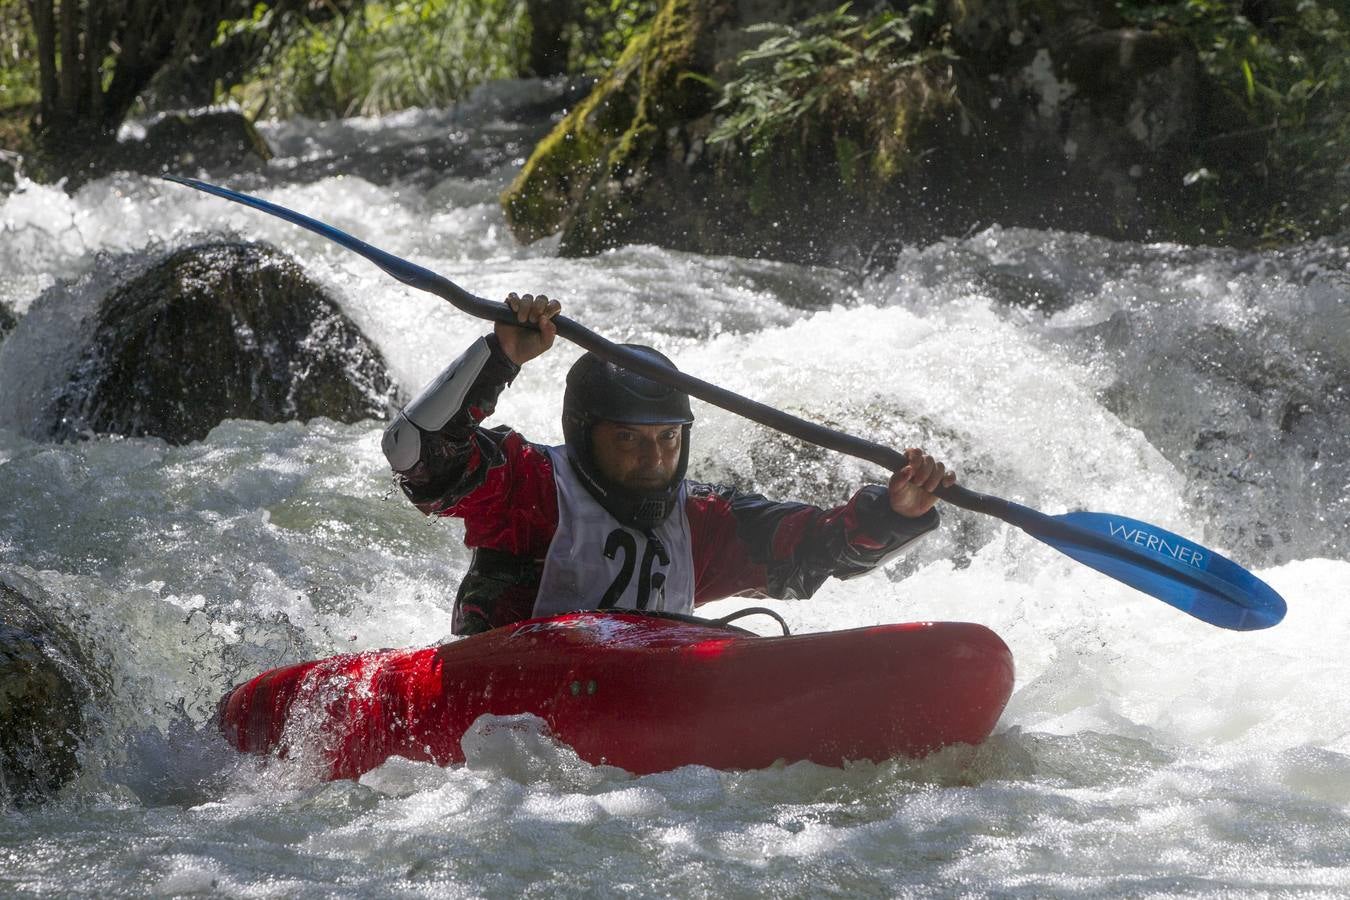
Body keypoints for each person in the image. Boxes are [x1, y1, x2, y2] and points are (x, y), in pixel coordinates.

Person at [382, 293, 957, 635]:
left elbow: (816, 550)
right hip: (508, 708)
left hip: (639, 711)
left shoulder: (703, 519)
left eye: (668, 438)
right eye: (630, 439)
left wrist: (897, 512)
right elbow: (414, 451)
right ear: (586, 434)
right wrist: (500, 355)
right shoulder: (529, 487)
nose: (655, 458)